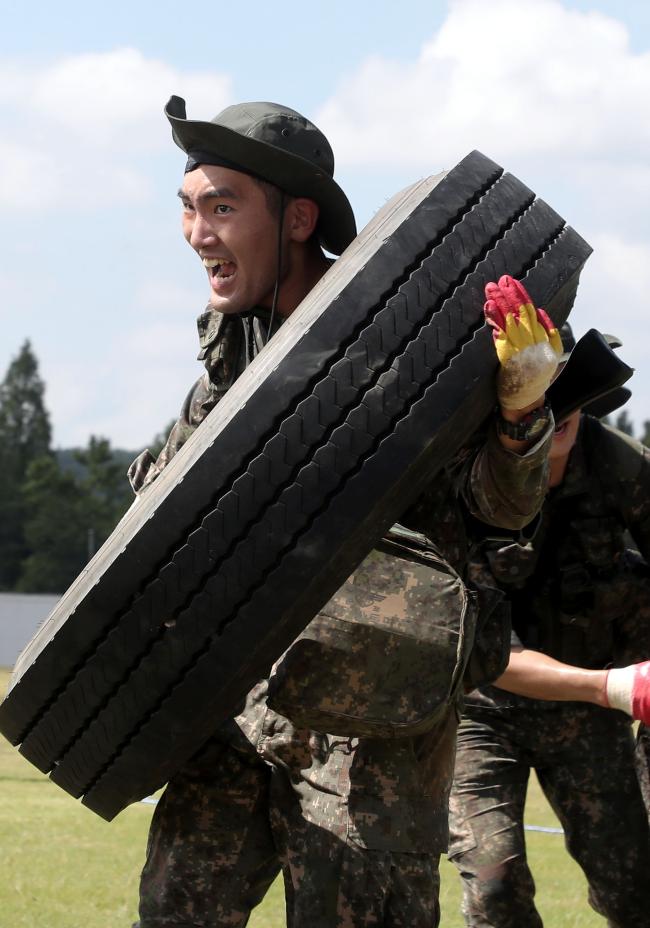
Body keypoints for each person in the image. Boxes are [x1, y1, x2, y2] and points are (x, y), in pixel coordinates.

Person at [128, 95, 559, 928]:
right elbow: (171, 490)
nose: (199, 233)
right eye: (188, 208)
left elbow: (500, 513)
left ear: (297, 218)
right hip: (241, 702)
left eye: (222, 207)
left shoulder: (413, 339)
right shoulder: (232, 343)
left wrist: (521, 413)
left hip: (373, 722)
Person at [448, 326, 650, 927]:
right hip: (480, 711)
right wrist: (617, 688)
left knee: (635, 889)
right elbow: (485, 651)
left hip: (588, 712)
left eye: (567, 391)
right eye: (537, 394)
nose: (554, 411)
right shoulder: (461, 481)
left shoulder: (623, 468)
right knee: (494, 888)